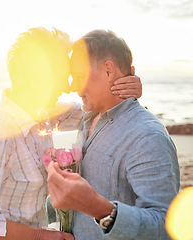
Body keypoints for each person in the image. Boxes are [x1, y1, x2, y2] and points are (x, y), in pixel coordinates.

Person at [0, 27, 142, 240]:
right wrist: (39, 235)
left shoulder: (43, 117)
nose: (68, 87)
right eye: (63, 76)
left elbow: (92, 108)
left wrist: (124, 87)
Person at [47, 29, 180, 240]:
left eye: (79, 76)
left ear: (108, 71)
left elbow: (166, 227)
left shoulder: (146, 136)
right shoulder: (86, 117)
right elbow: (40, 110)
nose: (72, 86)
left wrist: (101, 210)